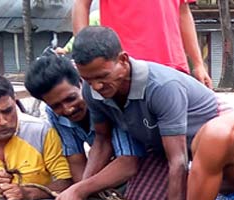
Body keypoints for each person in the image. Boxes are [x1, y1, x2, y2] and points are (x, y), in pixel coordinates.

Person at [56, 26, 218, 200]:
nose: (97, 86)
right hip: (161, 150)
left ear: (123, 60)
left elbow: (179, 161)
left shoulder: (162, 87)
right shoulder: (94, 92)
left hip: (204, 154)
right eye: (88, 79)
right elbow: (102, 142)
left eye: (102, 76)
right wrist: (80, 190)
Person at [24, 56, 145, 184]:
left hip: (142, 161)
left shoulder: (106, 100)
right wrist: (81, 191)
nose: (67, 109)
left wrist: (82, 190)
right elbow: (75, 159)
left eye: (71, 98)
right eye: (56, 106)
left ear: (82, 82)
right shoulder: (54, 114)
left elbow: (128, 162)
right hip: (108, 167)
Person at [72, 0, 212, 89]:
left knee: (176, 129)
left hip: (173, 64)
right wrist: (83, 52)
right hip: (125, 67)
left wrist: (198, 64)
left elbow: (183, 11)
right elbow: (82, 4)